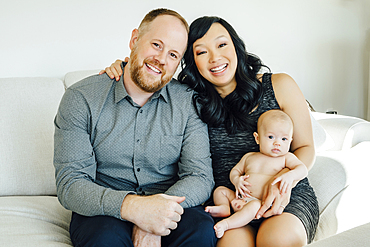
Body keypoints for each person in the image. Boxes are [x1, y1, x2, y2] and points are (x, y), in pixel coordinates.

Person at [102, 16, 319, 247]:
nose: (215, 58)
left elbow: (305, 147)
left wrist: (283, 184)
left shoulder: (279, 86)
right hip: (230, 204)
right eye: (201, 52)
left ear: (236, 46)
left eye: (222, 44)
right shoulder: (189, 100)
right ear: (193, 62)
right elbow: (147, 78)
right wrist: (124, 67)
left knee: (277, 240)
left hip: (285, 195)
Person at [54, 8, 217, 247]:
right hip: (105, 208)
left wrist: (158, 214)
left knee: (201, 231)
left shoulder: (188, 102)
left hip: (170, 201)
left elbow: (200, 176)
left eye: (173, 55)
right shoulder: (81, 98)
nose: (161, 59)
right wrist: (136, 209)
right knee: (103, 240)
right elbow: (71, 183)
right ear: (134, 40)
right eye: (156, 45)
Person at [205, 109, 308, 238]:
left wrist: (290, 176)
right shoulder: (249, 157)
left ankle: (227, 224)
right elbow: (235, 171)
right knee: (220, 191)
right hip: (240, 199)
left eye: (284, 139)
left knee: (253, 205)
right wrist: (237, 180)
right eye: (271, 137)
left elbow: (303, 169)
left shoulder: (286, 158)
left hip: (259, 205)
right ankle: (224, 207)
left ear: (290, 141)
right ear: (257, 138)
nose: (277, 143)